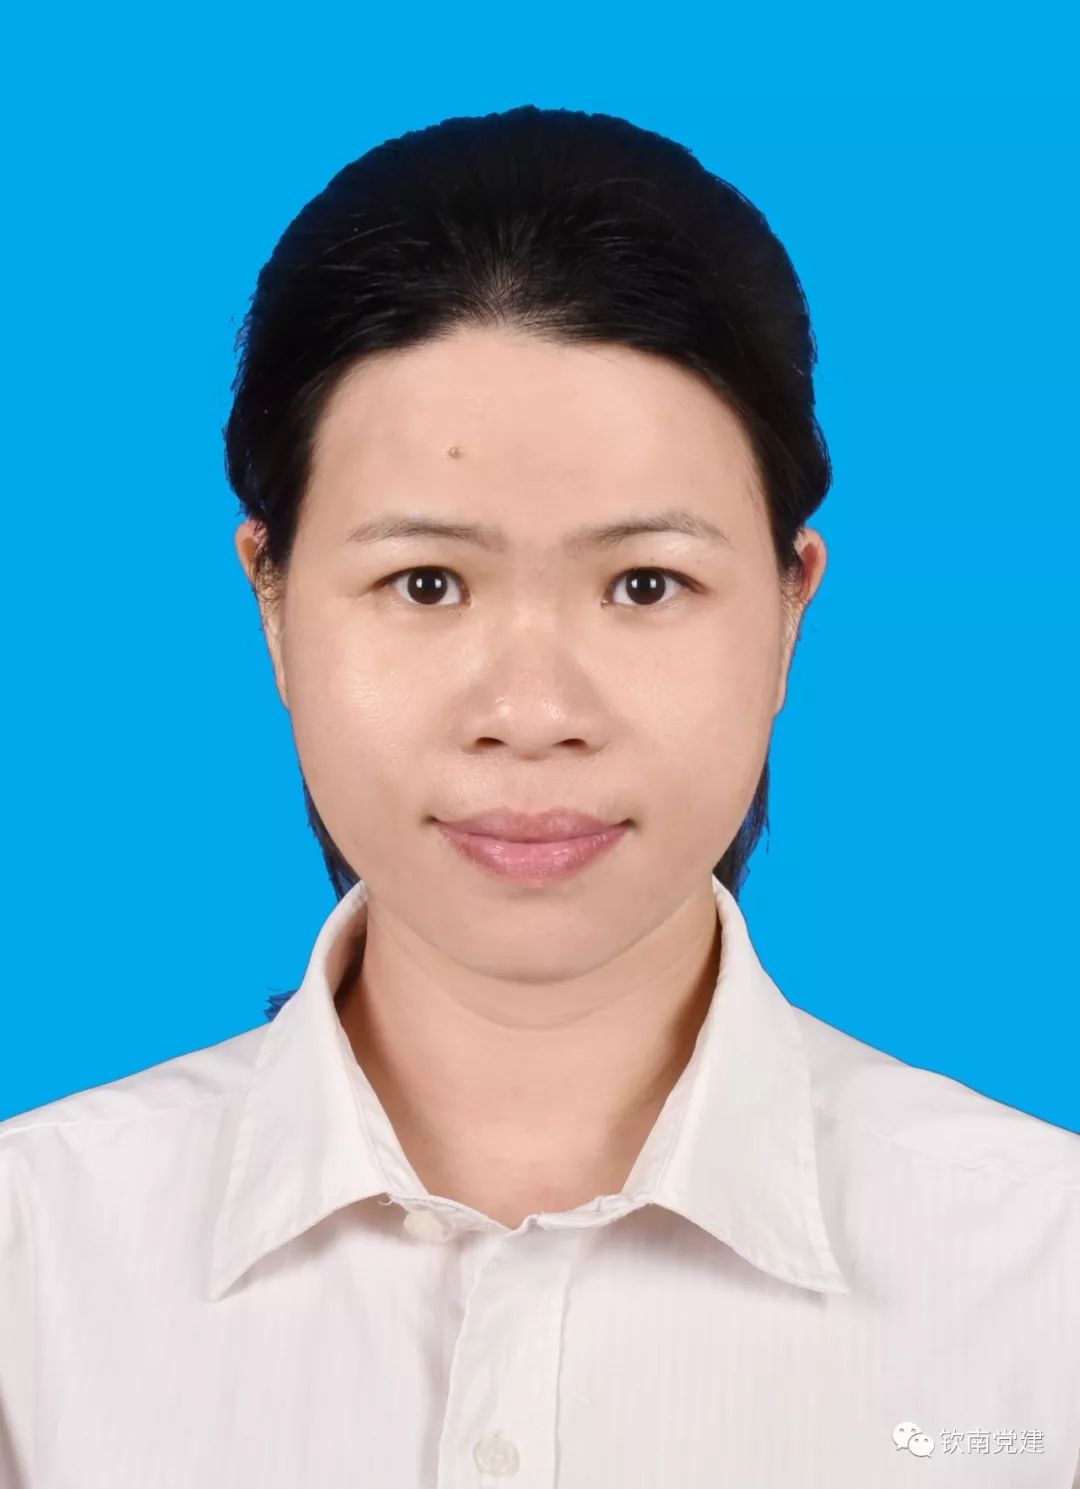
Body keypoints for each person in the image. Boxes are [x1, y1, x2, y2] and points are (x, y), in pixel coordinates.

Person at [1, 104, 1077, 1489]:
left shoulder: (1038, 1285)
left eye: (645, 584)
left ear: (790, 606)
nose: (531, 711)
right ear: (270, 600)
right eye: (425, 584)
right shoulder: (37, 1272)